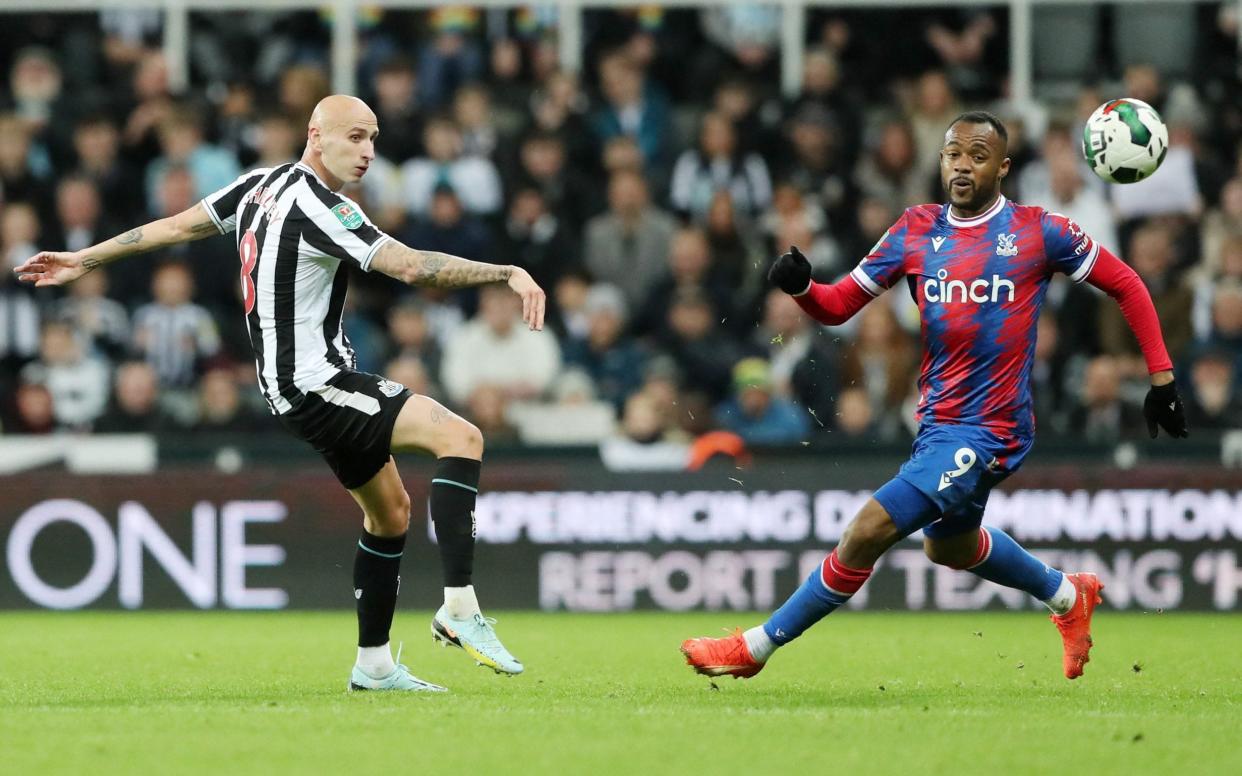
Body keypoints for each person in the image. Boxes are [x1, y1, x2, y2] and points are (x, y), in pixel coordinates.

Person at [15, 94, 546, 694]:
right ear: (316, 135)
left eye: (372, 138)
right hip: (317, 384)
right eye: (354, 137)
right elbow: (412, 268)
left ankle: (373, 666)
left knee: (389, 513)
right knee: (462, 435)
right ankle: (460, 607)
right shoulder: (324, 206)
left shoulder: (259, 185)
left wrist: (86, 257)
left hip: (293, 389)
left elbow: (175, 226)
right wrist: (505, 272)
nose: (368, 151)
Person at [681, 111, 1188, 683]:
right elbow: (839, 303)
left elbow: (1127, 283)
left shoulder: (1039, 231)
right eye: (953, 154)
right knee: (947, 548)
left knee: (867, 529)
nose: (962, 165)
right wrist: (801, 287)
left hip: (992, 428)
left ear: (1003, 166)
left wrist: (1162, 380)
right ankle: (1068, 595)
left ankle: (755, 646)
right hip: (938, 425)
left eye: (977, 154)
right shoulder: (915, 229)